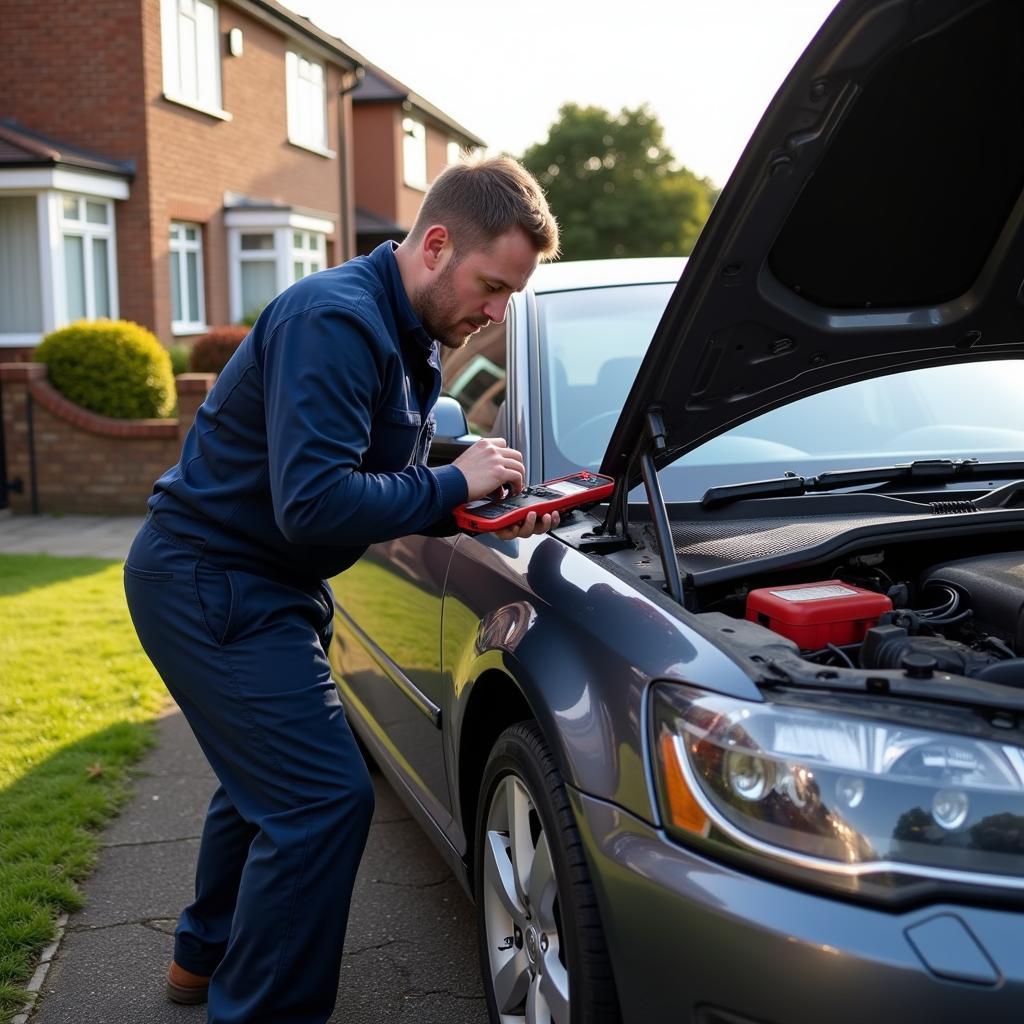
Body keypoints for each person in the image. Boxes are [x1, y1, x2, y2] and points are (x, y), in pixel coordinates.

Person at [123, 156, 560, 1024]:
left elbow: (375, 478)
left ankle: (202, 960)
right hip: (211, 582)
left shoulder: (409, 339)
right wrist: (452, 483)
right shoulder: (336, 319)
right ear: (436, 244)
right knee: (321, 798)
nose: (496, 313)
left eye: (511, 296)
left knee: (266, 787)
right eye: (492, 285)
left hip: (259, 582)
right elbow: (315, 502)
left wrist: (474, 500)